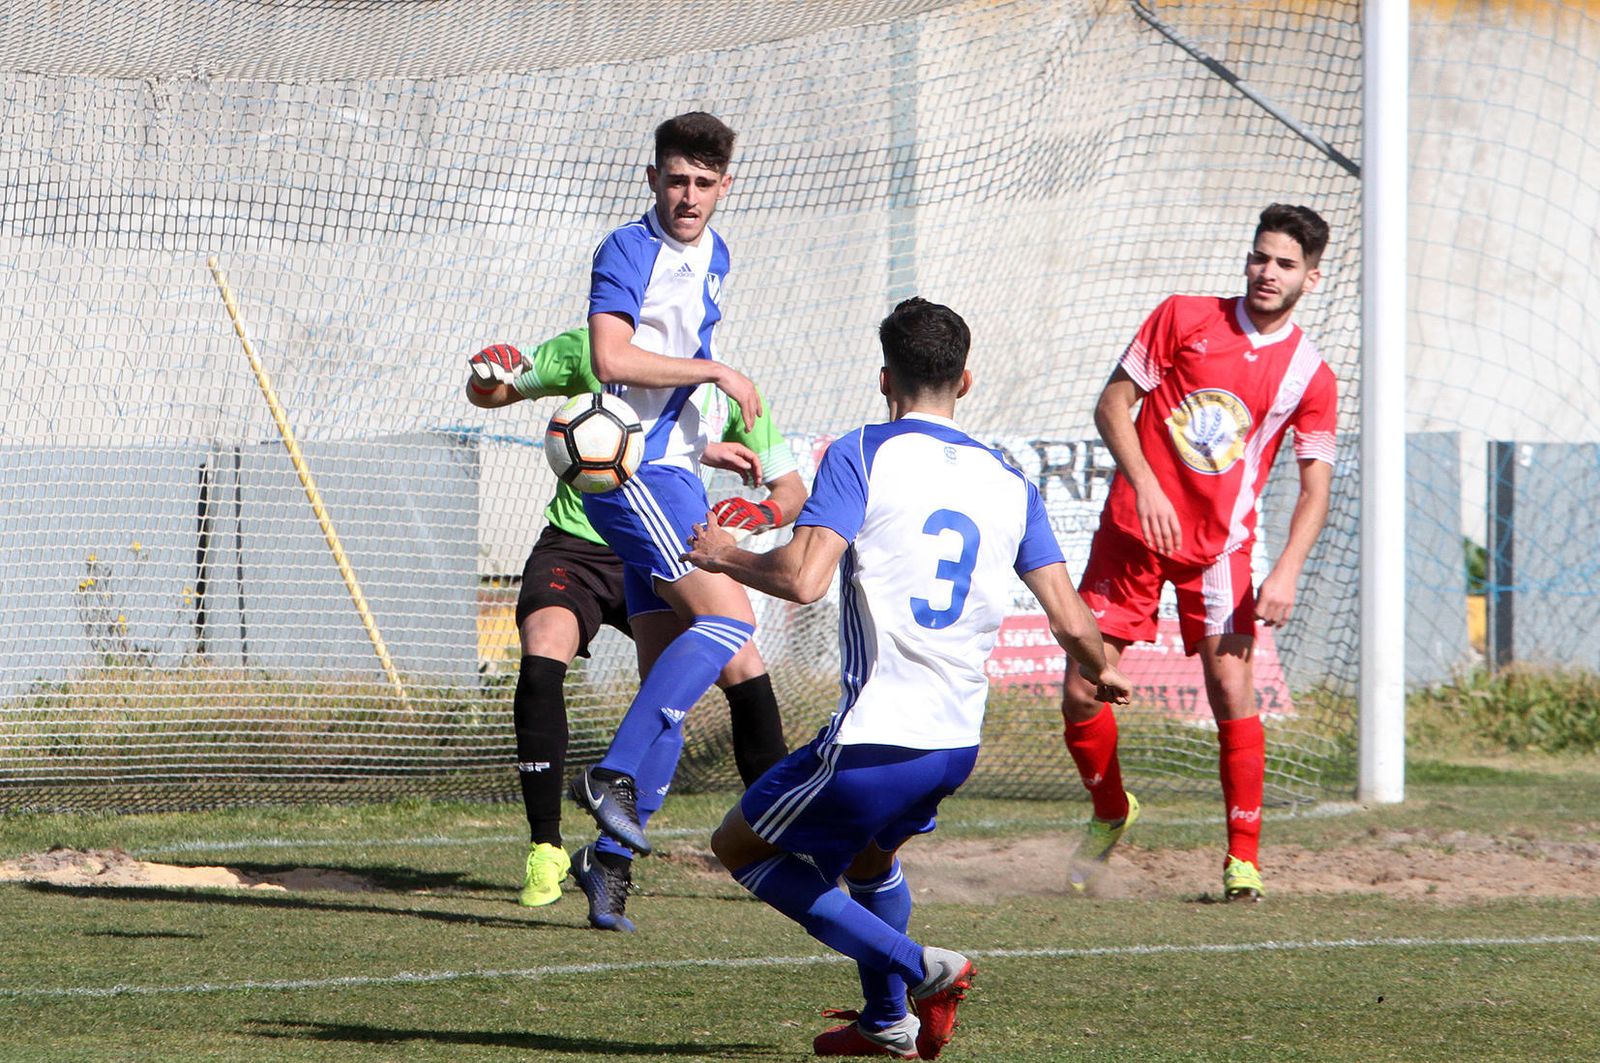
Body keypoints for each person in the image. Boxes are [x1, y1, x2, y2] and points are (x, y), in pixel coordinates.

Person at [684, 297, 1132, 1059]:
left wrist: (723, 553)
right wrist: (1105, 669)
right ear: (967, 380)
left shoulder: (862, 451)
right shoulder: (1010, 482)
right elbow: (1068, 618)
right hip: (954, 744)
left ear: (885, 378)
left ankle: (923, 968)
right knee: (870, 858)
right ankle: (886, 1021)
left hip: (873, 739)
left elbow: (803, 577)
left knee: (741, 847)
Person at [466, 327, 805, 930]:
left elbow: (789, 490)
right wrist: (490, 376)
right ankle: (564, 825)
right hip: (596, 542)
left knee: (714, 683)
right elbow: (492, 394)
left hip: (664, 538)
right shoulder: (597, 351)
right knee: (712, 633)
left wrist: (759, 510)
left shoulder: (724, 386)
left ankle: (619, 860)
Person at [1059, 203, 1338, 902]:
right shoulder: (1183, 316)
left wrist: (1287, 569)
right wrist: (1147, 486)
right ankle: (1110, 811)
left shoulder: (1310, 373)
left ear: (1313, 277)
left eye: (1284, 264)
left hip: (1220, 550)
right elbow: (1111, 405)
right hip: (1133, 532)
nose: (1266, 272)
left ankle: (1242, 858)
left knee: (1231, 688)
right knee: (1081, 688)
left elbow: (1314, 486)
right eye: (1260, 256)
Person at [565, 111, 774, 860]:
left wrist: (703, 440)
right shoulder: (627, 247)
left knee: (667, 683)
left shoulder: (716, 253)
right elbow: (613, 357)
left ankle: (610, 864)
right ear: (652, 178)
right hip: (634, 474)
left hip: (674, 465)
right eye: (676, 179)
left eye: (704, 183)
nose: (688, 196)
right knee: (729, 629)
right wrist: (717, 372)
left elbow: (667, 365)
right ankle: (613, 775)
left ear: (725, 186)